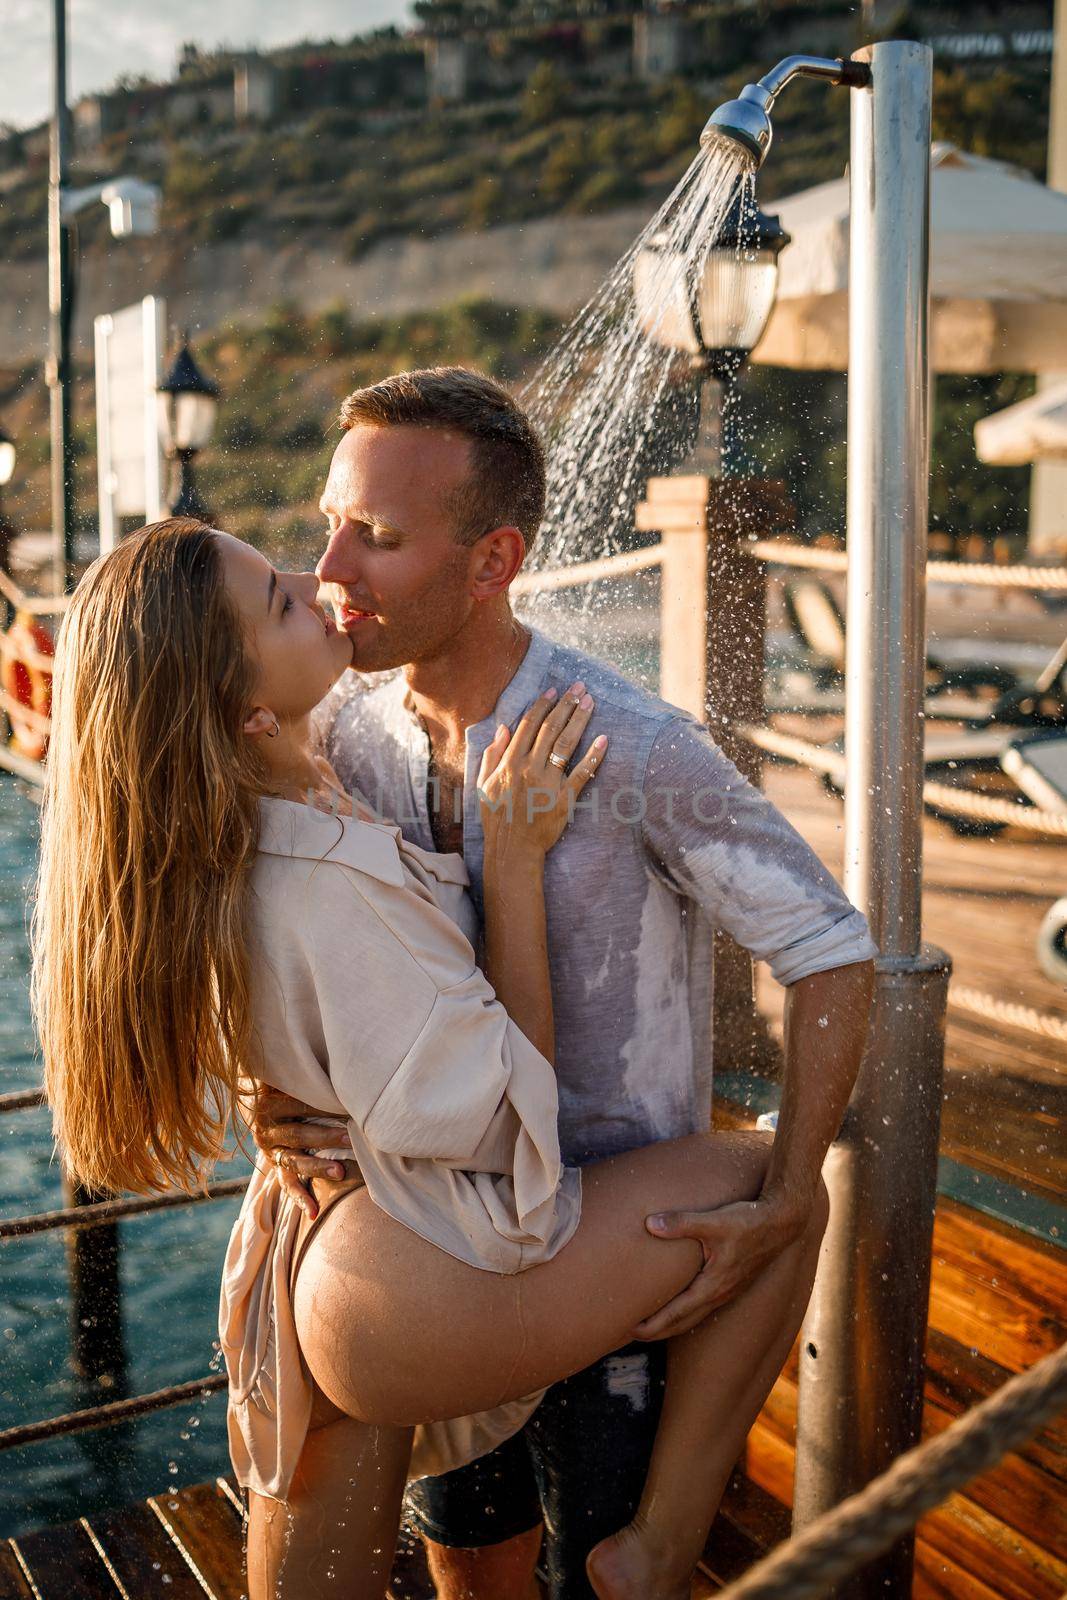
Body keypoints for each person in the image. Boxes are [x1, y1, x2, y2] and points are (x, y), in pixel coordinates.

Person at [33, 517, 864, 1600]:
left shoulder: (252, 813)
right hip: (416, 1272)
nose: (317, 574)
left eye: (352, 536)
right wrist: (510, 863)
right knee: (770, 1186)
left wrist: (267, 1089)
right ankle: (653, 1552)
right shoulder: (333, 875)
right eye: (281, 597)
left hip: (320, 1240)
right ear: (244, 711)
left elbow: (296, 998)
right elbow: (512, 1111)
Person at [248, 367, 878, 1599]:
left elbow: (829, 953)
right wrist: (267, 1097)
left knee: (599, 1575)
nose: (331, 564)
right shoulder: (347, 737)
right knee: (468, 1565)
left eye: (374, 536)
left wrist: (784, 1192)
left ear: (492, 563)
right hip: (439, 1243)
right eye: (330, 521)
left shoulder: (629, 743)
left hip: (612, 1266)